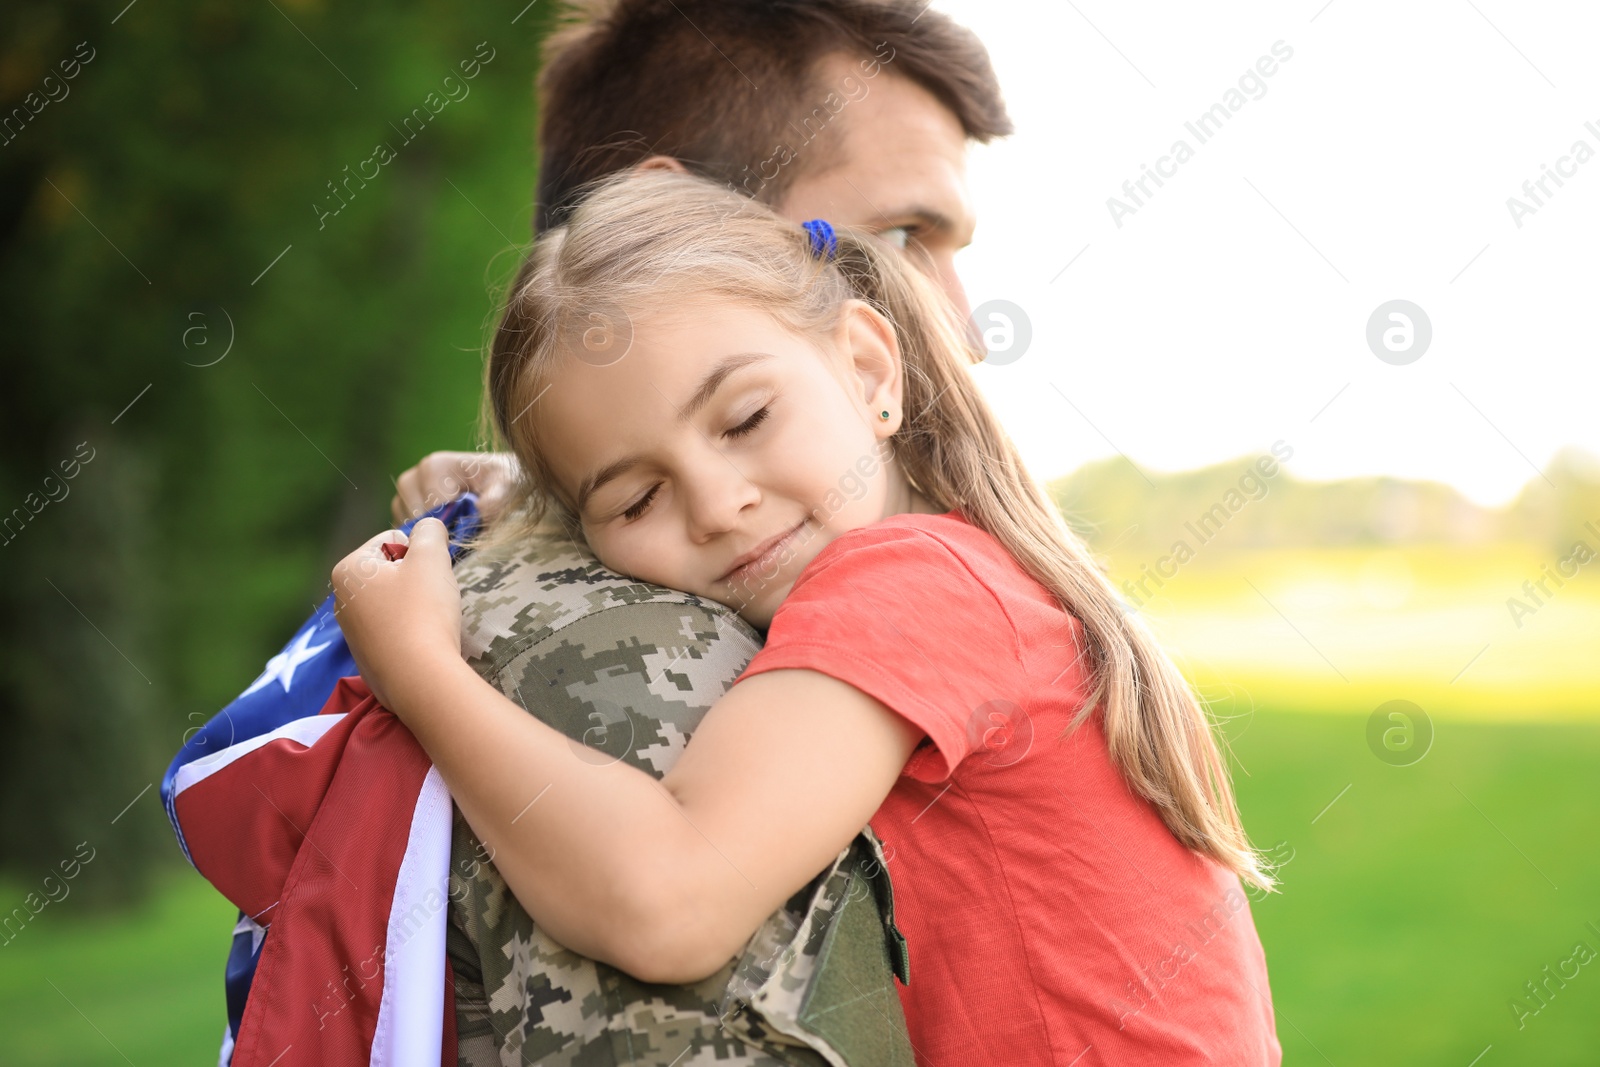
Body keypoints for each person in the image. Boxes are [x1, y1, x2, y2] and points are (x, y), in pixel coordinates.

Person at [186, 2, 1016, 1062]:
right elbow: (666, 903)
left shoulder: (834, 576)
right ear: (661, 205)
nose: (968, 327)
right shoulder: (642, 654)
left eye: (745, 419)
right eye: (902, 238)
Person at [332, 169, 1284, 1065]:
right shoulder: (963, 565)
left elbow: (669, 898)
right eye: (633, 501)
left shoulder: (913, 586)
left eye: (745, 419)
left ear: (869, 369)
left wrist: (418, 665)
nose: (715, 503)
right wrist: (520, 498)